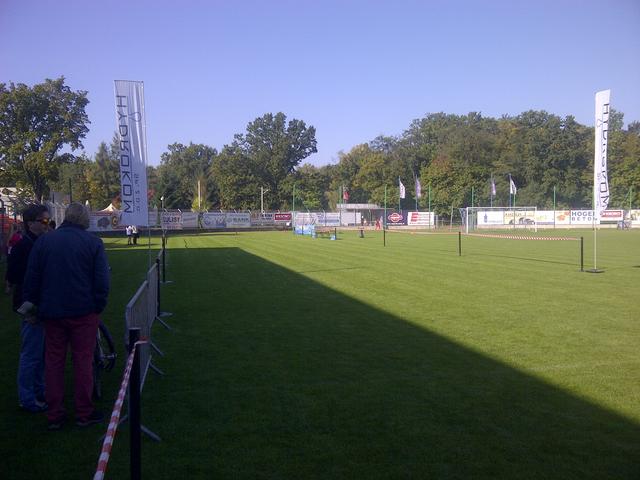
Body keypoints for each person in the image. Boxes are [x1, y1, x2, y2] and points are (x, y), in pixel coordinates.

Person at [22, 203, 110, 430]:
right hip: (83, 312)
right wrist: (98, 306)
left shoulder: (44, 241)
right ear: (83, 219)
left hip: (52, 313)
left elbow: (32, 279)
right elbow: (102, 281)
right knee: (82, 361)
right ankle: (84, 412)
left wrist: (32, 308)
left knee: (53, 362)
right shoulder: (93, 242)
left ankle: (55, 414)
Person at [6, 204, 50, 413]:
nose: (47, 224)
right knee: (31, 355)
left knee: (41, 354)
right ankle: (27, 398)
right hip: (30, 306)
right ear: (30, 223)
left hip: (42, 304)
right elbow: (14, 277)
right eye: (44, 221)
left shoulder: (40, 242)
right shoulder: (23, 246)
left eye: (48, 220)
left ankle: (40, 391)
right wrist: (29, 310)